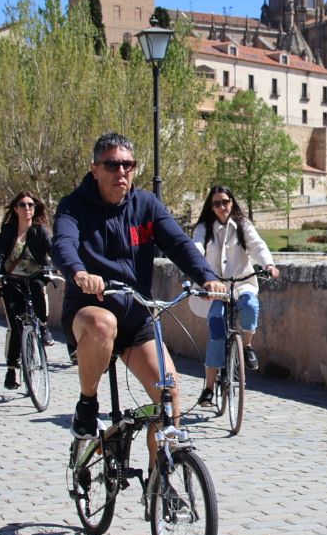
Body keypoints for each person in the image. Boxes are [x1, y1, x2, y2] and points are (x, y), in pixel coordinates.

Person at [54, 133, 221, 440]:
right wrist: (78, 272)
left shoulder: (146, 205)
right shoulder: (73, 206)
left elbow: (178, 243)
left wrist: (207, 276)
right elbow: (63, 242)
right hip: (91, 310)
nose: (122, 172)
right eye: (113, 165)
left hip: (136, 319)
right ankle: (87, 403)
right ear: (95, 169)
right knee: (103, 325)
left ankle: (162, 482)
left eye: (128, 165)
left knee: (168, 396)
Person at [188, 186, 278, 411]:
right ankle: (209, 388)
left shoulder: (242, 225)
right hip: (215, 287)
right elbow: (195, 249)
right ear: (211, 207)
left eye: (225, 202)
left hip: (242, 283)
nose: (222, 207)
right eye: (216, 203)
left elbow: (257, 245)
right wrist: (198, 272)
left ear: (232, 202)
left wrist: (268, 264)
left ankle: (247, 346)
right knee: (216, 327)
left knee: (249, 305)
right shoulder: (203, 228)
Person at [0, 192, 54, 391]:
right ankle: (12, 368)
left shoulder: (40, 231)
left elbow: (55, 251)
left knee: (37, 288)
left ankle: (43, 326)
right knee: (16, 327)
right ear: (15, 208)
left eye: (31, 205)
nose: (27, 208)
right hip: (12, 280)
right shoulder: (8, 230)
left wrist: (64, 268)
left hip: (34, 277)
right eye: (23, 205)